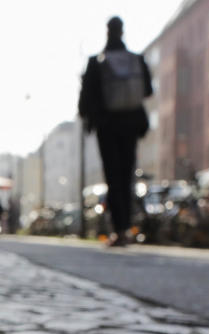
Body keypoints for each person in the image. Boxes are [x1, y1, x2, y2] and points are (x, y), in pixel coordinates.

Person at [78, 16, 153, 247]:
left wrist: (90, 118)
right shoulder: (136, 60)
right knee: (127, 175)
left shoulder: (97, 62)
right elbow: (147, 90)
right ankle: (126, 228)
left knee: (113, 176)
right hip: (130, 124)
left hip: (107, 125)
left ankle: (119, 229)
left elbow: (86, 99)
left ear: (107, 32)